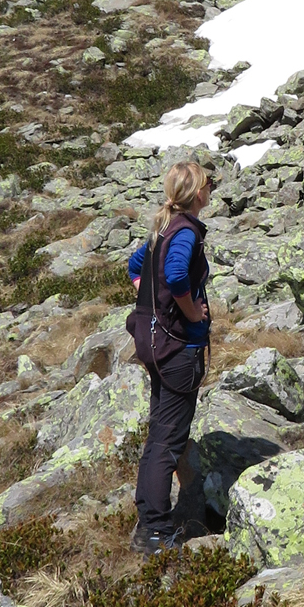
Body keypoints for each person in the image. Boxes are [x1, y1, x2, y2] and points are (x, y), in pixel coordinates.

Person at [124, 159, 212, 555]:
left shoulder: (164, 227)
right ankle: (157, 532)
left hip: (158, 346)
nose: (212, 190)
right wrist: (190, 312)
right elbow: (176, 276)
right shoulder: (186, 231)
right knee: (169, 440)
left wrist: (156, 305)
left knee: (159, 433)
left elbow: (135, 268)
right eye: (209, 185)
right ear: (198, 195)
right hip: (178, 350)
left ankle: (148, 519)